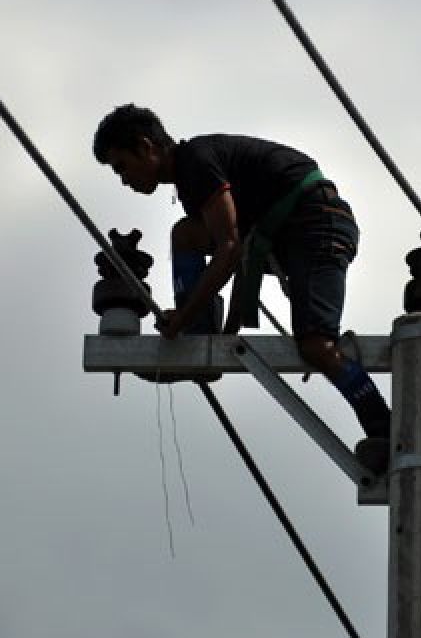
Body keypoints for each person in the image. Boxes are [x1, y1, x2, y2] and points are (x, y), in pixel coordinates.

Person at [93, 103, 391, 473]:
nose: (124, 179)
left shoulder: (197, 164)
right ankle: (200, 329)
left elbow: (230, 250)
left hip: (319, 227)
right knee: (186, 233)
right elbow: (241, 253)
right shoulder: (193, 175)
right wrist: (222, 337)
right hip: (290, 233)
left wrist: (181, 319)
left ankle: (384, 426)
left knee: (316, 345)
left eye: (122, 166)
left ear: (146, 146)